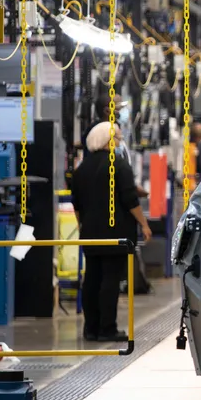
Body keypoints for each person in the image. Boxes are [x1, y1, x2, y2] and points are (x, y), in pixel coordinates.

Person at [71, 121, 152, 342]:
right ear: (109, 141)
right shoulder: (119, 165)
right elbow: (130, 199)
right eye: (117, 137)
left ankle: (91, 329)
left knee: (92, 279)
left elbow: (77, 205)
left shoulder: (81, 170)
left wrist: (85, 226)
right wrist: (144, 224)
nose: (119, 141)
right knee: (110, 280)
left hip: (90, 233)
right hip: (116, 234)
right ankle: (108, 328)